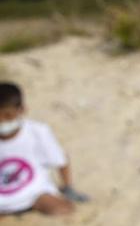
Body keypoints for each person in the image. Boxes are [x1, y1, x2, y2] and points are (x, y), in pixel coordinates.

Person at [0, 82, 88, 216]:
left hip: (35, 194)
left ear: (21, 110)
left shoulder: (37, 131)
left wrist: (68, 187)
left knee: (64, 210)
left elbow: (60, 160)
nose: (2, 121)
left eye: (7, 116)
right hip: (2, 200)